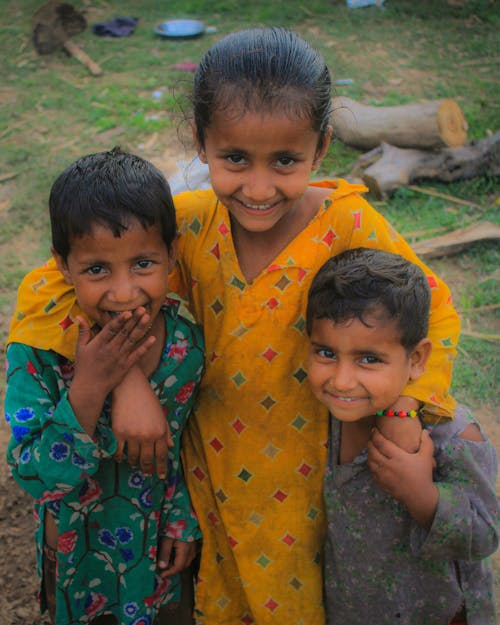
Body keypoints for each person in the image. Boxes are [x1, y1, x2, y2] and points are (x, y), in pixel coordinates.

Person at [6, 28, 462, 624]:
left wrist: (405, 409)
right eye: (236, 159)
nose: (258, 187)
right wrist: (126, 380)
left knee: (317, 594)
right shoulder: (187, 226)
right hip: (211, 471)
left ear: (321, 147)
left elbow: (436, 308)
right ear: (201, 142)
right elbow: (55, 286)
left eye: (286, 161)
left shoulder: (349, 224)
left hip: (310, 467)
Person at [4, 148, 205, 625]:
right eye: (97, 269)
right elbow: (33, 475)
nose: (123, 292)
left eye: (143, 263)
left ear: (172, 254)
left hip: (157, 556)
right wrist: (91, 385)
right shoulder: (39, 353)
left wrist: (180, 518)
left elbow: (176, 447)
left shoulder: (183, 346)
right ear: (63, 266)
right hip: (77, 565)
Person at [306, 247, 499, 625]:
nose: (342, 381)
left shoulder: (452, 435)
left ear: (417, 360)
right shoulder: (318, 422)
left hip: (439, 613)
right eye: (326, 352)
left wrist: (422, 495)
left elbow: (484, 535)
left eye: (369, 359)